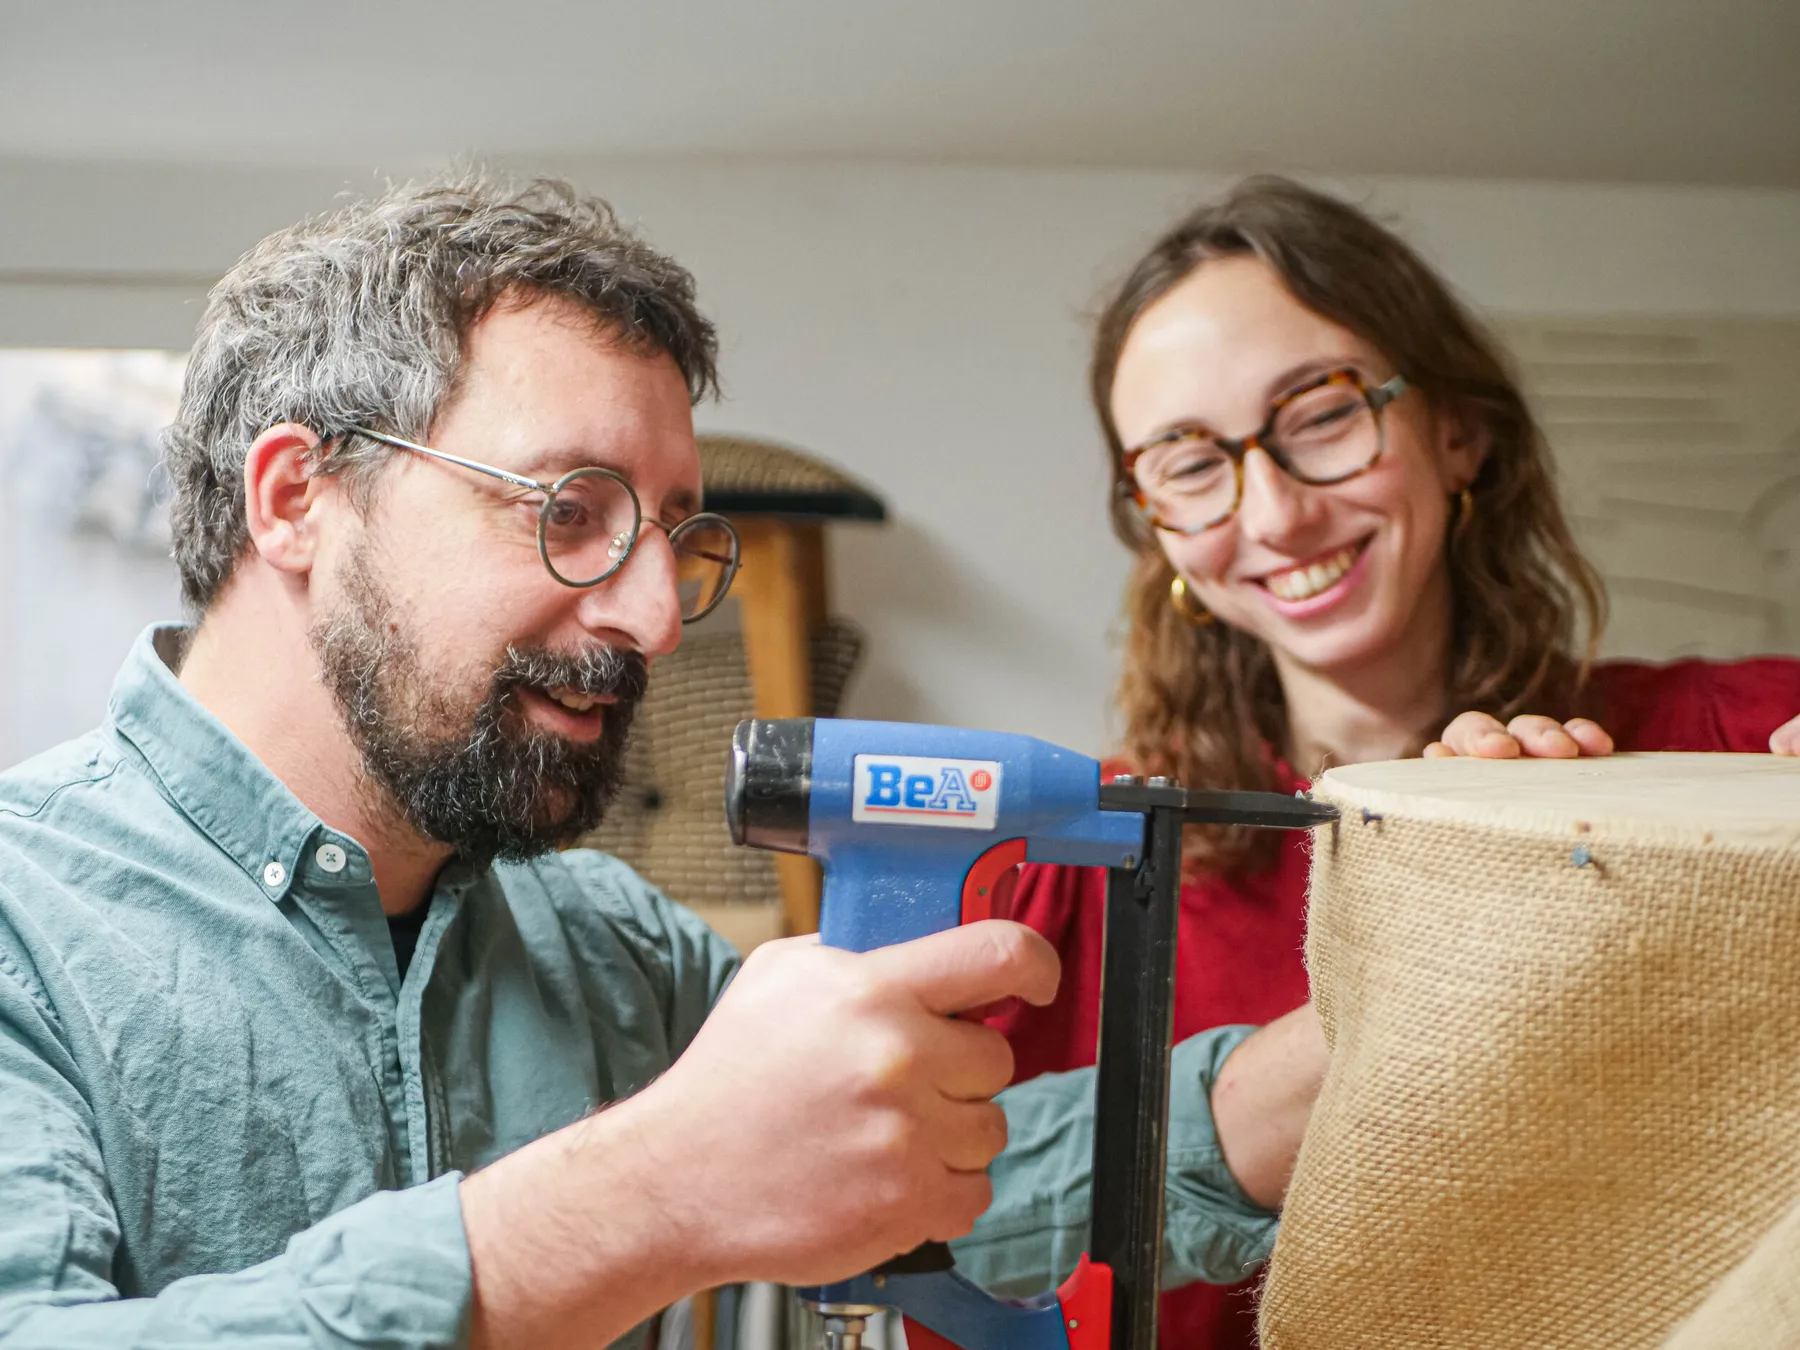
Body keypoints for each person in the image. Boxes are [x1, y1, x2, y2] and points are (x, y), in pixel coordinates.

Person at [0, 173, 1322, 1350]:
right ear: (297, 498)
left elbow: (925, 1172)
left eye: (674, 539)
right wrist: (649, 1191)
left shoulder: (609, 948)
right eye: (570, 512)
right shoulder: (24, 922)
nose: (649, 619)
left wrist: (1345, 1050)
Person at [985, 176, 1800, 1350]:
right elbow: (937, 1262)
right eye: (1187, 462)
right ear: (1152, 522)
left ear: (1457, 432)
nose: (1272, 515)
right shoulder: (1077, 864)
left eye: (1321, 414)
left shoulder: (1732, 742)